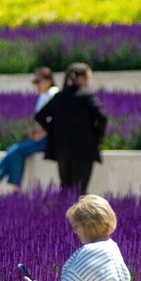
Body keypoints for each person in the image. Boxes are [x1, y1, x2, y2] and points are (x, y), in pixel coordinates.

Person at [0, 67, 59, 192]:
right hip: (43, 137)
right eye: (35, 83)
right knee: (15, 150)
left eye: (38, 82)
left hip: (50, 139)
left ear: (48, 81)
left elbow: (56, 118)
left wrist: (44, 132)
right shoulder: (43, 96)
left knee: (16, 150)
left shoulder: (52, 93)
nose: (36, 86)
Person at [34, 62, 107, 194]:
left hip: (63, 150)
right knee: (80, 191)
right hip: (84, 150)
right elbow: (102, 117)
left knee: (66, 188)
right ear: (80, 78)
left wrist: (53, 131)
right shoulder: (87, 96)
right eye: (88, 78)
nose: (89, 82)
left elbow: (40, 116)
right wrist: (97, 136)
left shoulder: (60, 97)